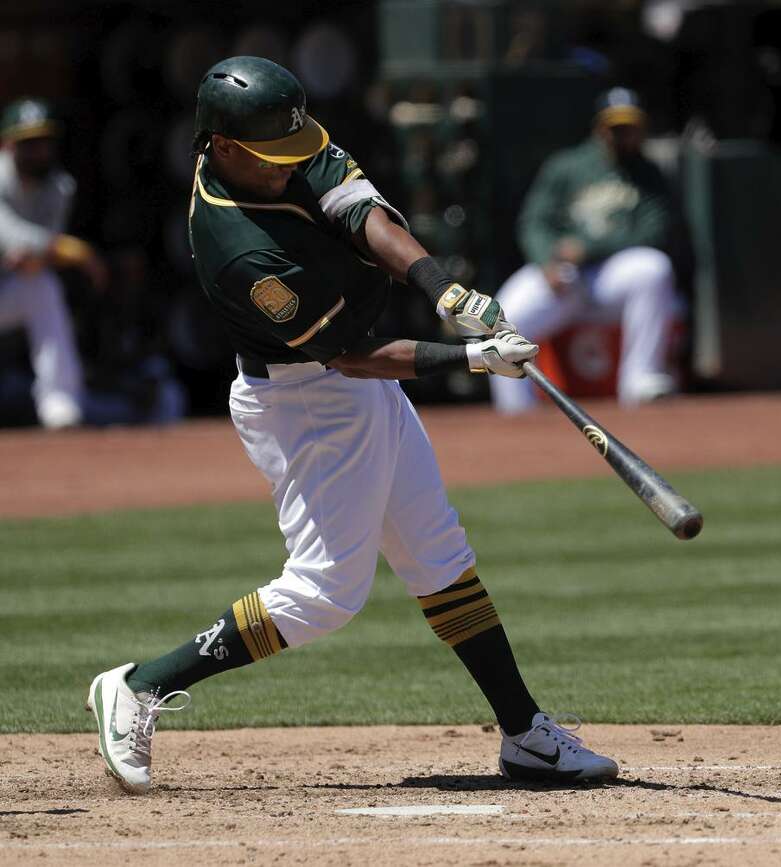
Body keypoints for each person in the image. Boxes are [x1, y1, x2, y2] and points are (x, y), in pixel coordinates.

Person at [85, 56, 618, 794]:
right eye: (272, 160)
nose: (289, 166)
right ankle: (141, 684)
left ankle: (526, 733)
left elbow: (360, 212)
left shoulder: (282, 140)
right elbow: (352, 355)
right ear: (225, 149)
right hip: (308, 399)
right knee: (326, 591)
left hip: (344, 384)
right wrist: (468, 356)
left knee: (439, 554)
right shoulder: (239, 251)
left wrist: (446, 288)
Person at [490, 87, 679, 413]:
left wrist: (588, 247)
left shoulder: (648, 175)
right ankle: (516, 414)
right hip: (563, 275)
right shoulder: (568, 166)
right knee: (502, 318)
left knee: (653, 267)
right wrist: (545, 259)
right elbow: (534, 221)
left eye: (629, 127)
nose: (622, 134)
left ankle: (640, 384)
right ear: (599, 127)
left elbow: (653, 233)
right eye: (615, 126)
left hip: (612, 276)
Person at [0, 99, 107, 428]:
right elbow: (7, 234)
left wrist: (43, 251)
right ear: (8, 145)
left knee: (42, 287)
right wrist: (68, 249)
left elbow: (34, 259)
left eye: (43, 143)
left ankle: (59, 400)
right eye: (28, 144)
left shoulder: (60, 187)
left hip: (9, 284)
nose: (38, 152)